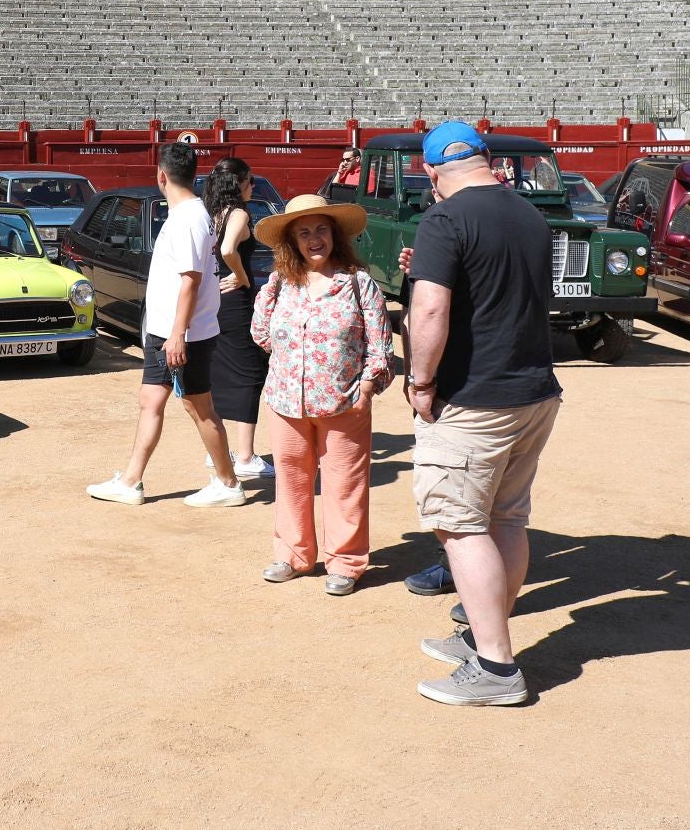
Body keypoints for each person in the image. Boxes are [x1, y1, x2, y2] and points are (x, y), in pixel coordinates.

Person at [405, 120, 562, 708]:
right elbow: (498, 289)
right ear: (489, 158)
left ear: (430, 170)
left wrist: (421, 382)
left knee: (460, 524)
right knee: (507, 519)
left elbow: (430, 311)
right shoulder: (527, 213)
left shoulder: (443, 219)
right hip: (533, 393)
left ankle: (497, 669)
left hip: (474, 399)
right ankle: (482, 637)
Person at [87, 142, 244, 508]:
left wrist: (177, 336)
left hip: (182, 334)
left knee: (198, 407)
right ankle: (131, 481)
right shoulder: (189, 214)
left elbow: (190, 280)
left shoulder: (187, 218)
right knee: (151, 400)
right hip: (171, 331)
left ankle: (229, 482)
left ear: (161, 176)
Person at [250, 195, 393, 595]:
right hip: (284, 400)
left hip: (344, 401)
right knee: (292, 480)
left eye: (321, 230)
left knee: (344, 483)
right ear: (292, 241)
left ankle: (345, 562)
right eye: (304, 232)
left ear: (335, 235)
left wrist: (366, 387)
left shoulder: (357, 282)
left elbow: (380, 344)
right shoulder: (280, 282)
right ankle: (292, 555)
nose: (315, 239)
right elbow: (260, 334)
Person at [202, 157, 272, 478]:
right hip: (236, 302)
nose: (254, 186)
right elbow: (230, 249)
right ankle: (245, 457)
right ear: (239, 183)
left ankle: (217, 449)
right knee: (250, 373)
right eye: (251, 180)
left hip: (215, 300)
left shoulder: (212, 214)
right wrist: (242, 276)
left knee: (220, 370)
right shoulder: (240, 213)